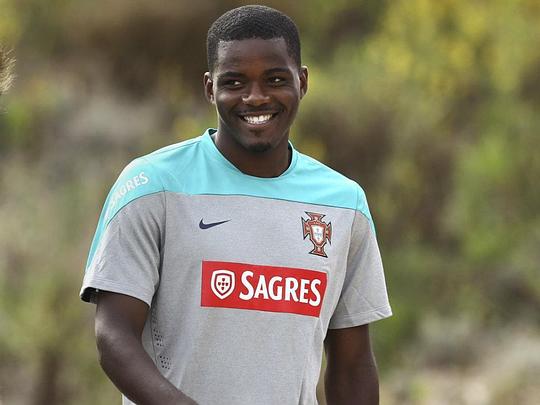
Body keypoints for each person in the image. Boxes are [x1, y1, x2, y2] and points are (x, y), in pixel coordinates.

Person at [80, 5, 392, 405]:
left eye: (275, 79)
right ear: (210, 88)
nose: (256, 97)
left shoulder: (344, 204)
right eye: (234, 82)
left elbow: (353, 365)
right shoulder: (152, 186)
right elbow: (113, 337)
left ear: (302, 81)